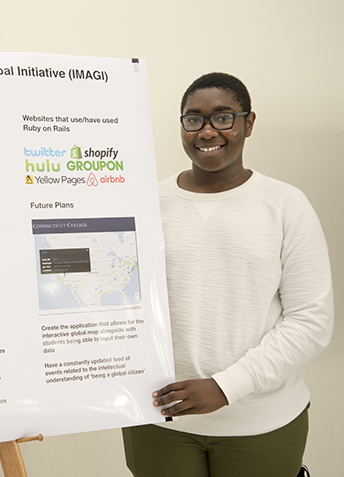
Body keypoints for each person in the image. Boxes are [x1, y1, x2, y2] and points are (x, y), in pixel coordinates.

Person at [122, 72, 334, 476]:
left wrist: (225, 386)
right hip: (159, 418)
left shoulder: (286, 205)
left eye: (223, 118)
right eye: (193, 119)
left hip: (261, 421)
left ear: (248, 123)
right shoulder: (146, 204)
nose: (206, 131)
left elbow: (311, 321)